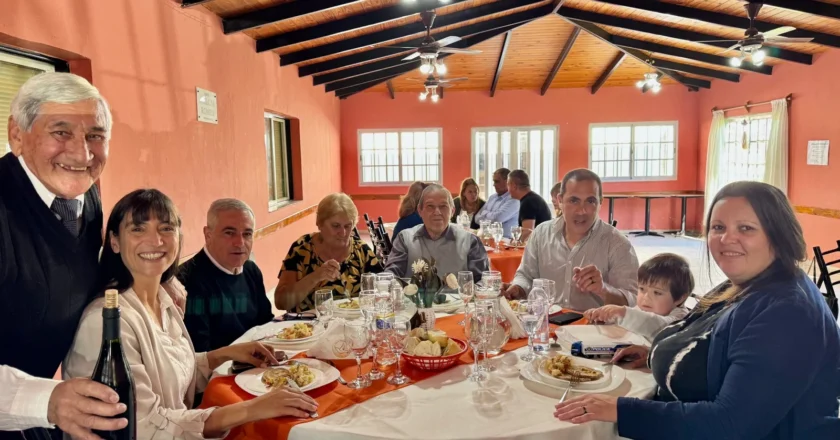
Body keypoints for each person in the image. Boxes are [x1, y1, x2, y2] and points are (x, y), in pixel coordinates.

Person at [555, 181, 840, 440]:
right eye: (718, 227)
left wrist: (621, 410)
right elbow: (713, 346)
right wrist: (658, 354)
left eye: (746, 228)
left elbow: (730, 425)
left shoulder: (787, 314)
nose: (727, 239)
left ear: (778, 234)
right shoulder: (744, 284)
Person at [64, 189, 318, 439]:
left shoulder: (165, 302)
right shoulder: (106, 322)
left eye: (166, 228)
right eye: (138, 229)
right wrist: (253, 409)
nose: (156, 240)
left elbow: (173, 373)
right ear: (115, 242)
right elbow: (145, 427)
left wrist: (226, 354)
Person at [0, 72, 131, 439]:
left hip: (40, 411)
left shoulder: (84, 196)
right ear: (17, 135)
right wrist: (46, 401)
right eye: (61, 132)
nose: (82, 153)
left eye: (95, 135)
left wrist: (147, 283)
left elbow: (78, 270)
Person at [504, 168, 638, 309]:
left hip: (594, 328)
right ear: (560, 200)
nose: (582, 211)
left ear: (600, 203)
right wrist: (518, 289)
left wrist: (603, 289)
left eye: (590, 201)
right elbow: (526, 275)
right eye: (574, 200)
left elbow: (630, 300)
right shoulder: (541, 234)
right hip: (546, 324)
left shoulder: (618, 244)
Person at [178, 198, 273, 352]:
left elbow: (267, 325)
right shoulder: (185, 281)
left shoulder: (251, 270)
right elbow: (199, 354)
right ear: (208, 235)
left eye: (247, 234)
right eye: (229, 233)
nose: (240, 242)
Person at [276, 193, 381, 312]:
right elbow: (281, 302)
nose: (343, 233)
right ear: (319, 223)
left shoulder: (361, 250)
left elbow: (382, 290)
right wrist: (316, 276)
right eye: (336, 226)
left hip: (353, 326)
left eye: (348, 226)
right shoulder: (301, 249)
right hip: (308, 327)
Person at [385, 184, 489, 281]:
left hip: (460, 300)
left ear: (452, 211)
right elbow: (391, 275)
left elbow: (483, 281)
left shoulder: (470, 241)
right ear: (420, 211)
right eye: (430, 206)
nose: (437, 212)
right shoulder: (405, 239)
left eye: (443, 206)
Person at [584, 253, 693, 342]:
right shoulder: (643, 308)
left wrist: (623, 312)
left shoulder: (680, 318)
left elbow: (657, 326)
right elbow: (629, 319)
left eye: (657, 293)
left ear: (680, 298)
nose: (646, 297)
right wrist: (604, 315)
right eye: (642, 289)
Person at [507, 169, 552, 242]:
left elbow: (528, 233)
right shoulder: (532, 198)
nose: (507, 190)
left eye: (508, 184)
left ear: (514, 186)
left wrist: (513, 243)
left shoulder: (528, 202)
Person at [474, 168, 519, 238]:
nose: (494, 184)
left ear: (507, 182)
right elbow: (476, 218)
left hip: (506, 241)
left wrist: (485, 213)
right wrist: (492, 216)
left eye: (497, 181)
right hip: (487, 238)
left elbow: (498, 218)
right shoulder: (492, 197)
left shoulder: (514, 199)